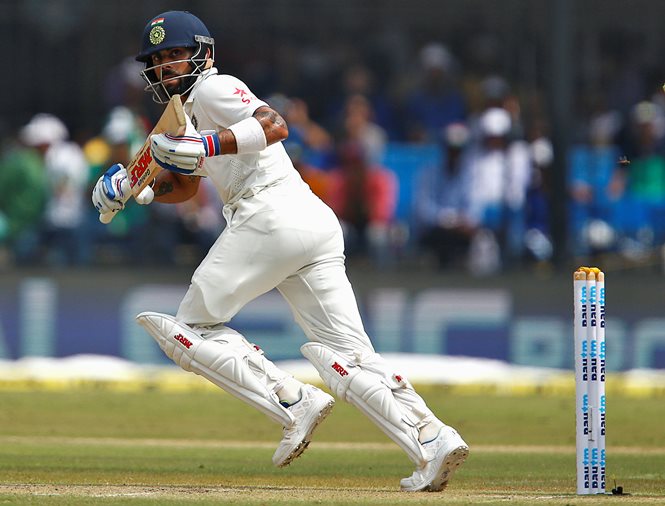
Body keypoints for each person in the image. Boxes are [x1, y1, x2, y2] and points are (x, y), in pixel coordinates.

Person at [91, 11, 468, 492]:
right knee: (350, 356)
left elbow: (273, 124)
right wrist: (137, 190)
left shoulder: (213, 88)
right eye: (157, 59)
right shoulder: (181, 115)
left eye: (174, 55)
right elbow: (184, 183)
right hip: (308, 222)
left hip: (269, 212)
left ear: (202, 54)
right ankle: (433, 440)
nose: (165, 66)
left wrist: (203, 143)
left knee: (189, 329)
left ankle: (291, 399)